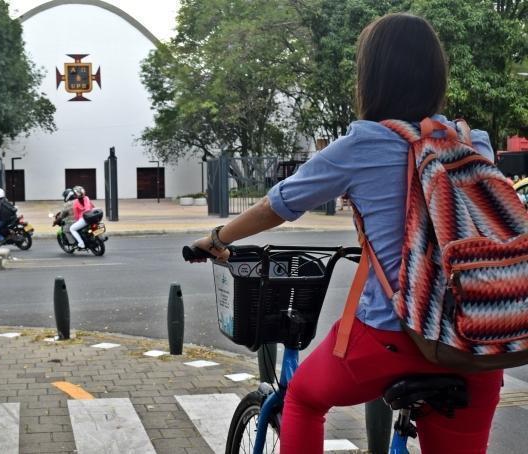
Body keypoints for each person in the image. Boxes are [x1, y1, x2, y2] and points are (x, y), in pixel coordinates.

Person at [189, 13, 502, 454]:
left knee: (301, 399)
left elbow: (275, 205)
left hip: (392, 337)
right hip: (479, 341)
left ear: (371, 77)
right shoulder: (473, 141)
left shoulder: (364, 143)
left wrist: (219, 238)